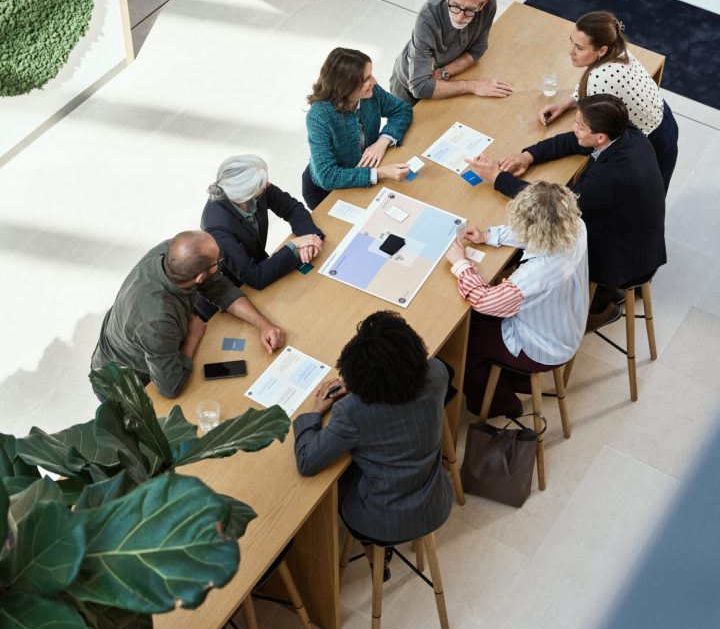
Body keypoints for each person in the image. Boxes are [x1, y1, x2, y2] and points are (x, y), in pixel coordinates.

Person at [469, 94, 666, 330]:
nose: (574, 128)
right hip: (637, 235)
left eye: (580, 125)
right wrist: (528, 156)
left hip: (621, 258)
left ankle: (598, 306)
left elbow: (550, 204)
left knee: (538, 242)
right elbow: (575, 141)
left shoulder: (606, 180)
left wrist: (498, 178)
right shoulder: (626, 132)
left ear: (600, 137)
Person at [293, 311, 453, 574]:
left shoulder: (351, 412)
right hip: (435, 501)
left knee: (338, 478)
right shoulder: (437, 372)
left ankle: (375, 558)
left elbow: (307, 461)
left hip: (382, 521)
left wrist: (313, 412)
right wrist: (363, 385)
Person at [445, 182, 588, 418]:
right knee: (477, 324)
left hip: (542, 347)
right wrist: (489, 236)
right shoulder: (576, 225)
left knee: (461, 343)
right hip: (567, 323)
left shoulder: (534, 275)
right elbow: (539, 234)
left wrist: (460, 264)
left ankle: (500, 403)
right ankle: (514, 378)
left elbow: (484, 300)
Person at [90, 230, 286, 398]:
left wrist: (263, 325)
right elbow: (169, 386)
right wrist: (192, 336)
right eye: (218, 261)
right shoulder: (157, 323)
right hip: (122, 383)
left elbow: (219, 288)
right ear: (200, 277)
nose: (220, 263)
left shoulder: (173, 254)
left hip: (150, 346)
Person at [538, 10, 678, 191]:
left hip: (653, 141)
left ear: (602, 50)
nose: (571, 52)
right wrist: (566, 103)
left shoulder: (602, 77)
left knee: (644, 199)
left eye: (579, 48)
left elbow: (593, 135)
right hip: (663, 118)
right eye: (572, 42)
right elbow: (588, 85)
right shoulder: (617, 47)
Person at [302, 47, 413, 211]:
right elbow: (327, 176)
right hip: (327, 192)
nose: (374, 81)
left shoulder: (371, 93)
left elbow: (402, 110)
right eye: (367, 78)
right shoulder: (319, 117)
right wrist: (379, 173)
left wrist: (382, 141)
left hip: (366, 173)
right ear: (347, 85)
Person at [389, 0, 512, 104]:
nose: (460, 18)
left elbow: (477, 50)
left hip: (444, 80)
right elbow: (419, 87)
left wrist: (444, 72)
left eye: (470, 10)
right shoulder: (428, 16)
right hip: (408, 85)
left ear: (482, 4)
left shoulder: (489, 3)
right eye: (455, 6)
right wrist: (473, 86)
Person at [202, 154, 324, 290]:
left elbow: (291, 208)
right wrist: (294, 245)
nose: (268, 184)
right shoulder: (216, 227)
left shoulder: (256, 188)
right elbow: (254, 276)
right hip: (240, 288)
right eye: (262, 184)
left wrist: (310, 240)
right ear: (245, 195)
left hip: (265, 267)